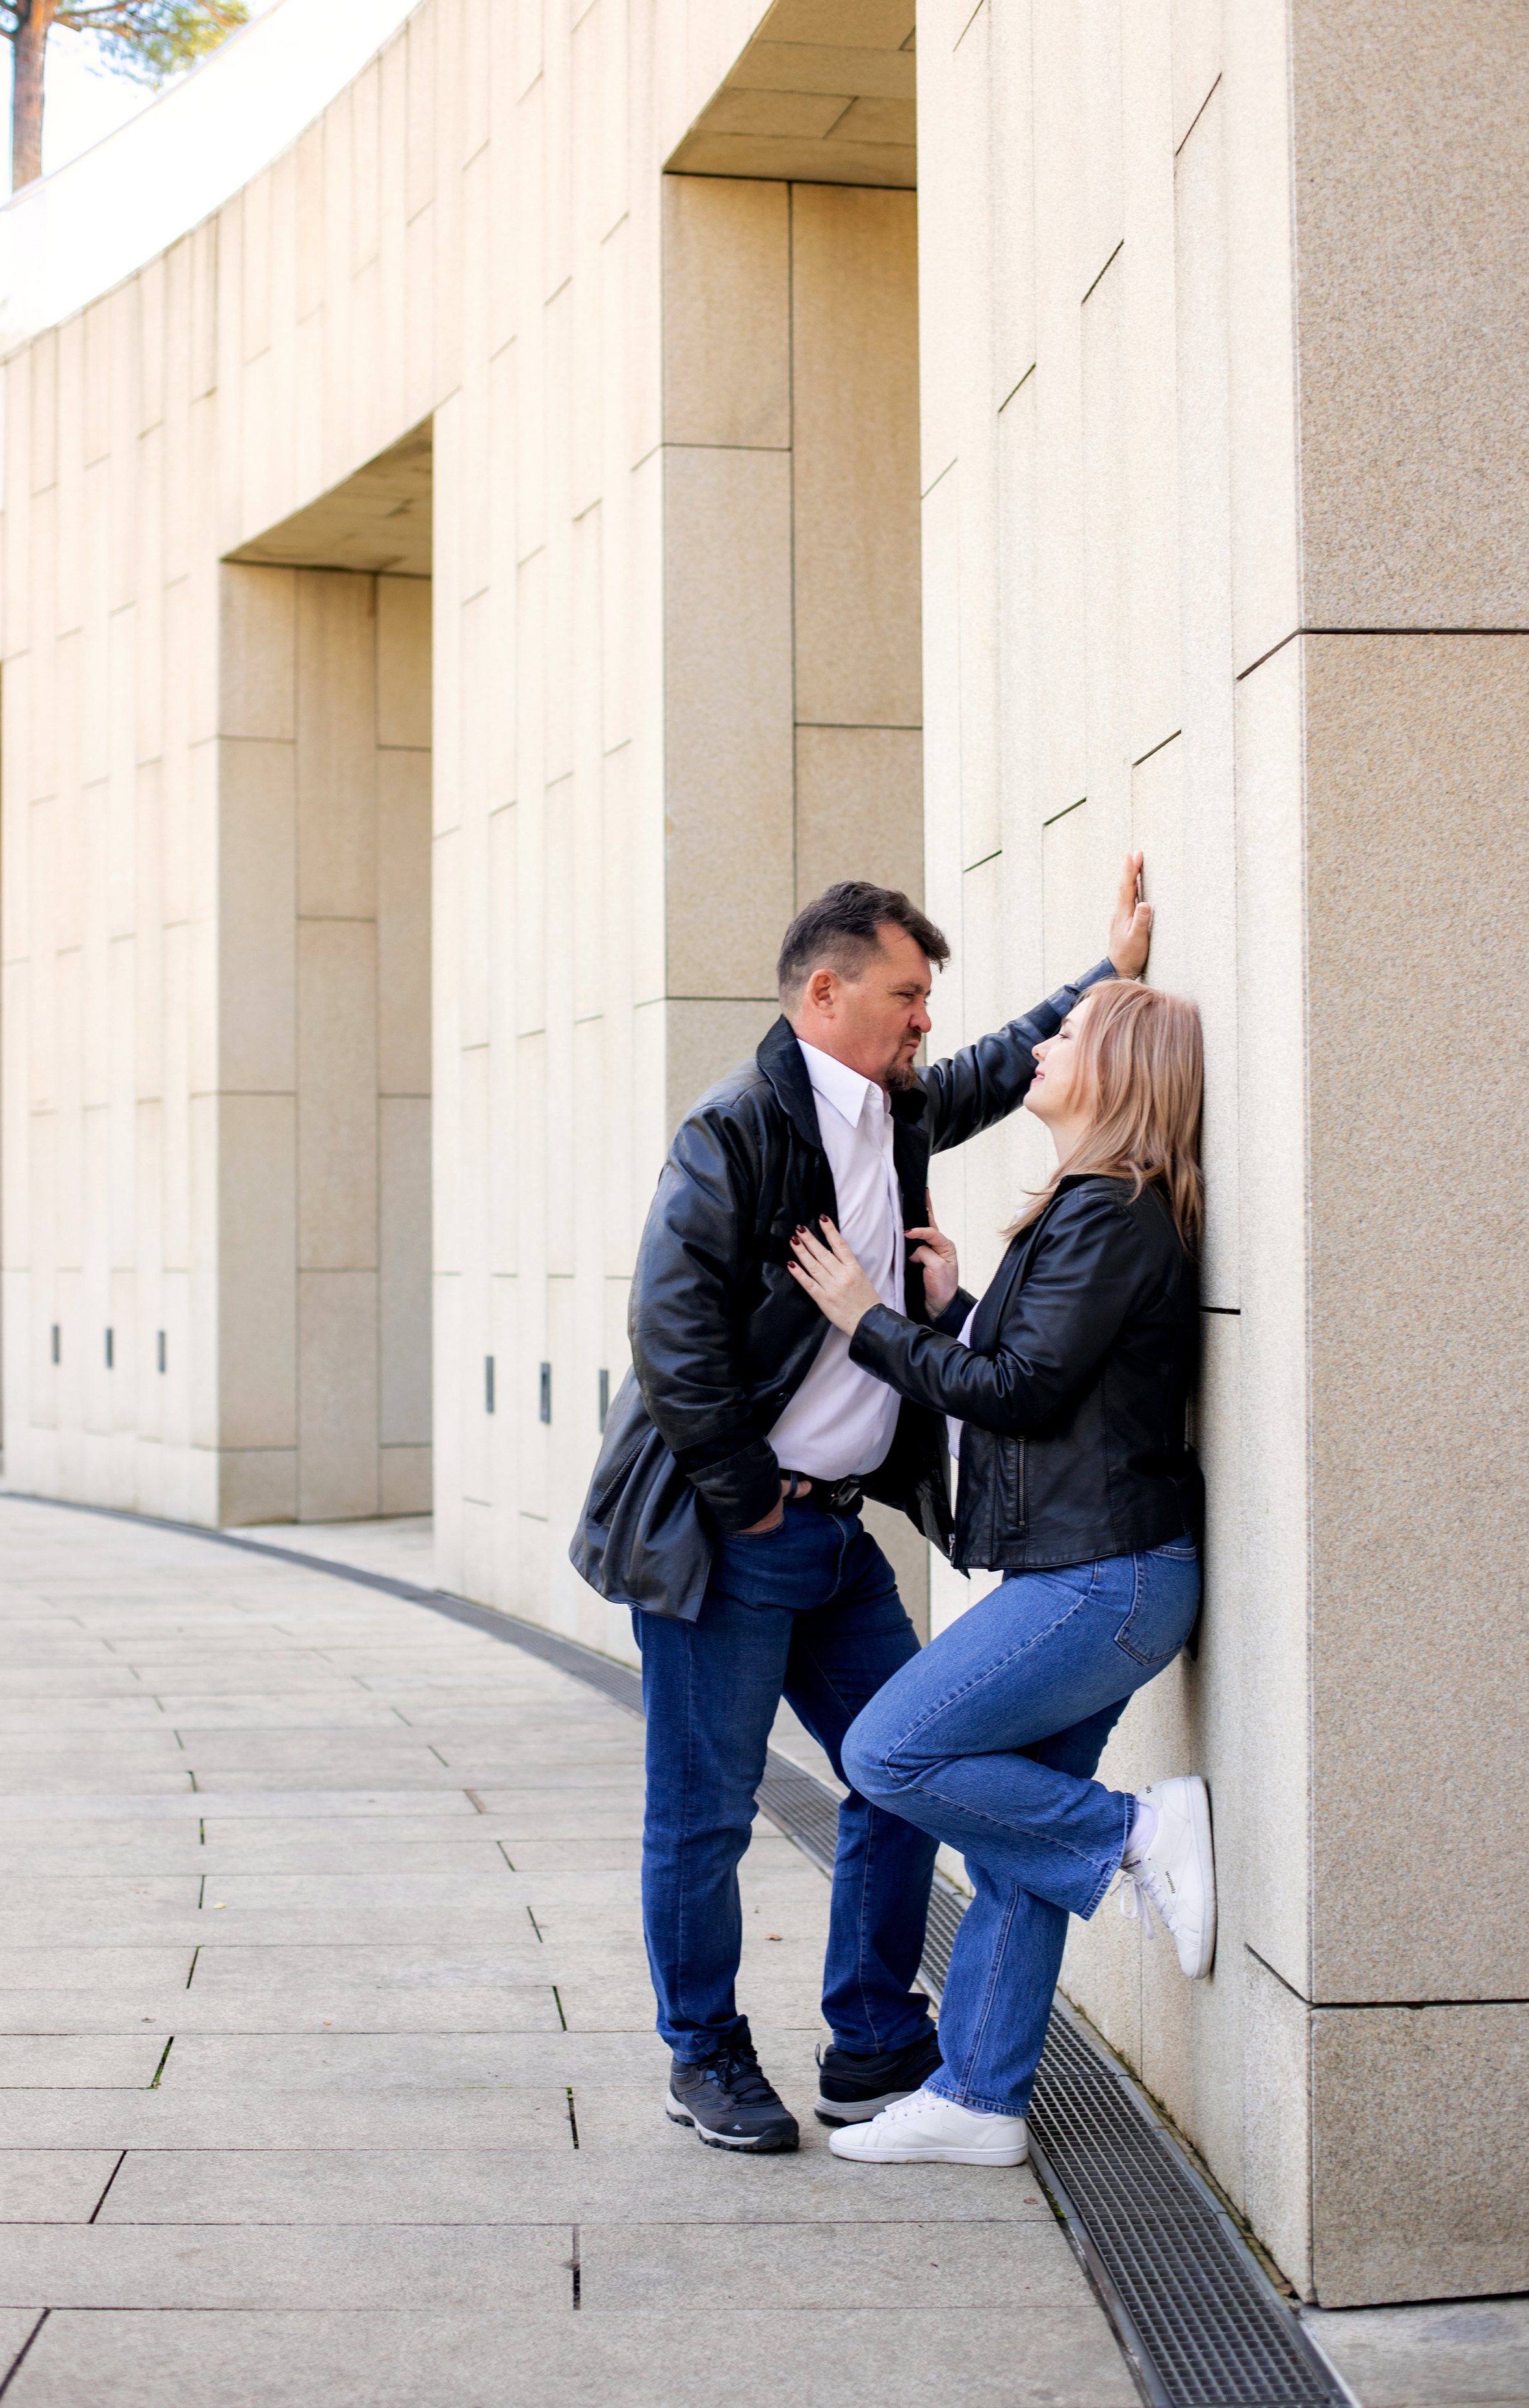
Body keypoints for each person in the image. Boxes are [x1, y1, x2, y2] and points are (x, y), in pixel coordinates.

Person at [570, 861, 1155, 2153]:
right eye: (904, 993)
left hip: (835, 1537)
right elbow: (671, 1335)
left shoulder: (890, 1111)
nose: (922, 1020)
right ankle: (704, 2057)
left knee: (902, 1770)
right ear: (825, 991)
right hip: (737, 1538)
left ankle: (873, 2038)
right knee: (704, 1816)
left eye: (925, 997)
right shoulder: (736, 1126)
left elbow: (999, 1067)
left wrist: (1105, 978)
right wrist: (748, 1503)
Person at [785, 976, 1214, 2166]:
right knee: (1019, 1843)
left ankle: (1133, 1832)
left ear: (1120, 1071)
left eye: (1069, 1033)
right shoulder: (1092, 1207)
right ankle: (980, 2098)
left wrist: (870, 1319)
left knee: (888, 1750)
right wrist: (954, 1306)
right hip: (1090, 1571)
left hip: (1102, 1580)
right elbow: (1051, 1374)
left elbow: (1021, 1394)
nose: (1044, 1043)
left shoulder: (1114, 1211)